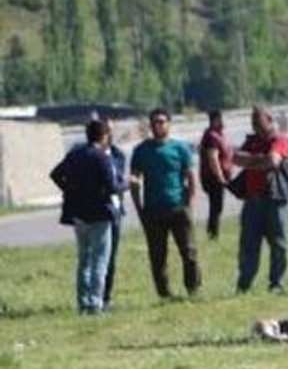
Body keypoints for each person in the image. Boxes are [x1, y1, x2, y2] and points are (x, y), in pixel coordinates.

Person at [50, 120, 126, 314]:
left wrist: (70, 190)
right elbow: (111, 187)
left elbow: (56, 174)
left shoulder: (75, 155)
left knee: (84, 259)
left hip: (78, 213)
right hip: (100, 213)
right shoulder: (102, 157)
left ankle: (82, 302)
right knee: (100, 259)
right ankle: (95, 302)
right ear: (104, 136)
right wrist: (127, 184)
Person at [130, 108, 201, 299]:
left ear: (169, 124)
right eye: (154, 122)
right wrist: (139, 209)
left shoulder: (180, 148)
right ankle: (164, 293)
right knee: (157, 255)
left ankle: (193, 289)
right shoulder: (141, 151)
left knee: (189, 252)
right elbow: (134, 180)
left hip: (178, 206)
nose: (158, 125)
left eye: (162, 121)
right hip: (153, 210)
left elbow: (191, 178)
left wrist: (191, 206)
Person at [233, 106, 288, 293]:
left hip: (274, 199)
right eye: (253, 123)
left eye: (259, 122)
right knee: (248, 245)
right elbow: (235, 158)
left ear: (269, 120)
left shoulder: (280, 140)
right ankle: (244, 285)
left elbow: (273, 162)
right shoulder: (252, 142)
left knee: (278, 245)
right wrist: (259, 159)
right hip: (252, 200)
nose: (256, 127)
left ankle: (277, 283)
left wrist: (252, 161)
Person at [103, 120, 128, 309]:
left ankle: (106, 296)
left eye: (112, 131)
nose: (109, 135)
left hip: (115, 211)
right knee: (96, 257)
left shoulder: (118, 155)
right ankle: (93, 296)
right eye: (106, 131)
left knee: (111, 256)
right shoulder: (90, 154)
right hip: (98, 211)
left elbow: (117, 180)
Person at [198, 110, 233, 240]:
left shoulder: (217, 135)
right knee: (216, 206)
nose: (225, 122)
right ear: (216, 120)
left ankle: (212, 231)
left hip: (215, 177)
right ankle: (213, 233)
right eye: (223, 119)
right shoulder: (212, 137)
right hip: (213, 178)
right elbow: (213, 158)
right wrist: (220, 177)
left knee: (216, 206)